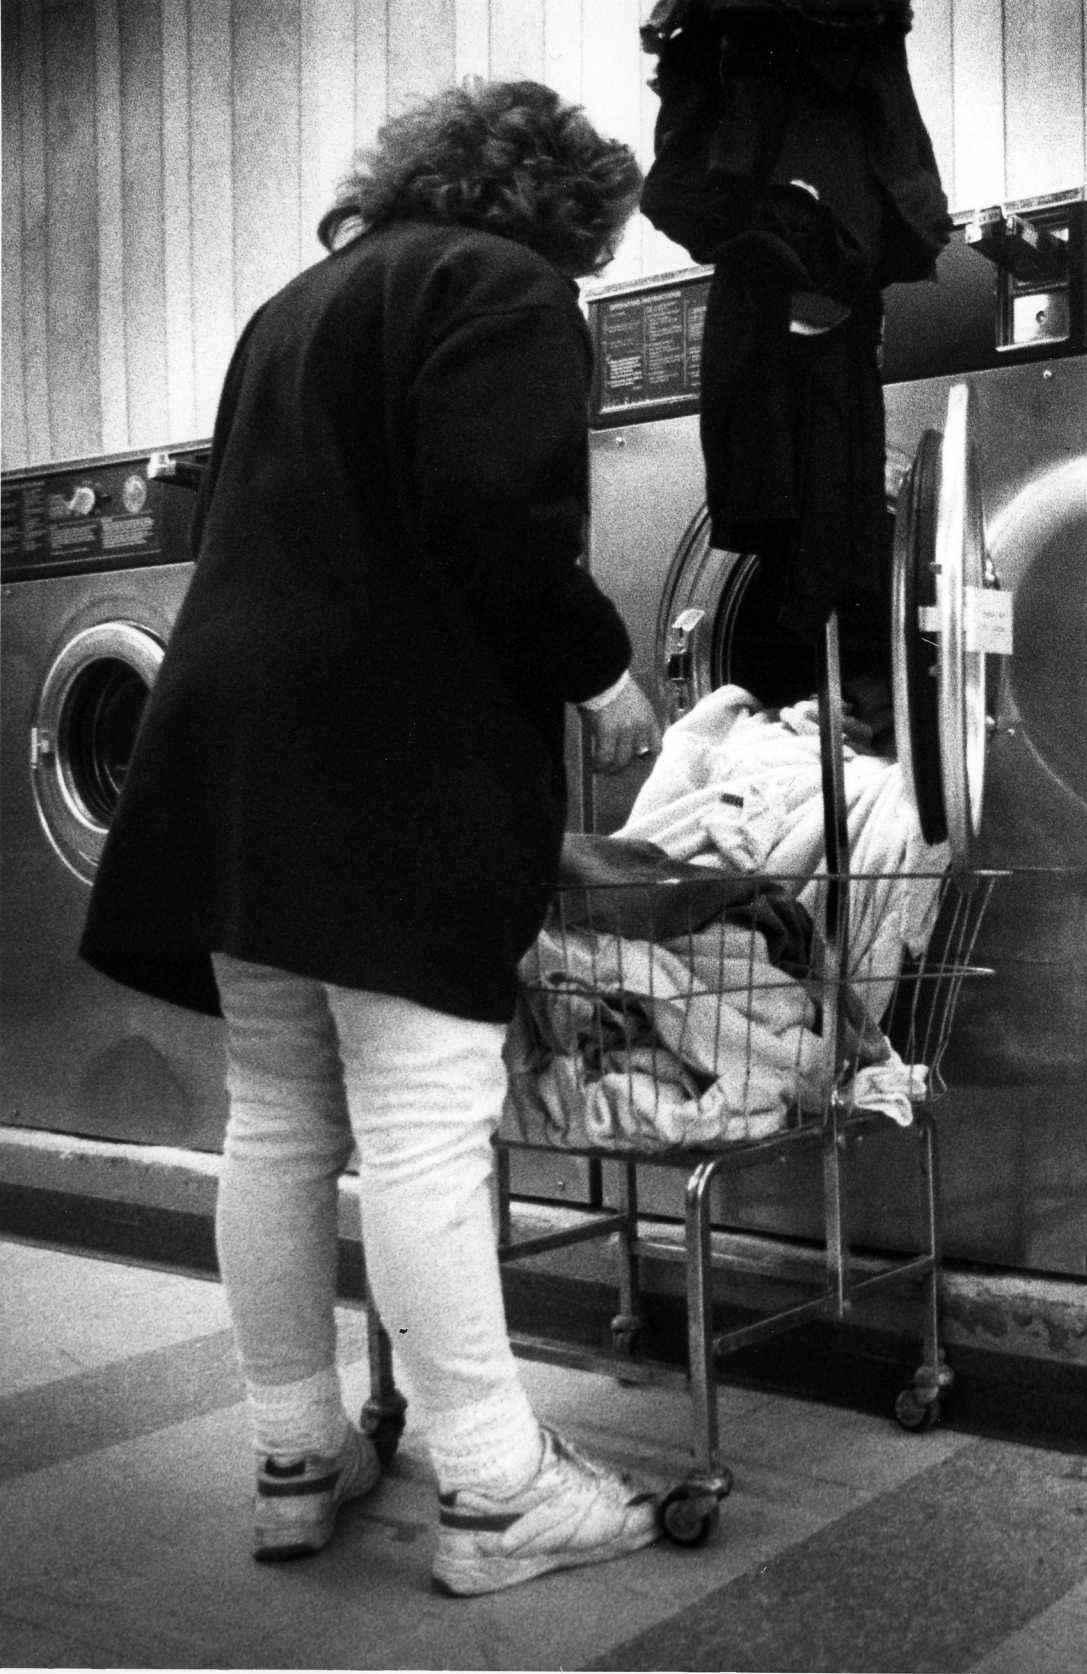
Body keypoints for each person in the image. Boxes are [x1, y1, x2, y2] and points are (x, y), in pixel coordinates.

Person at [80, 80, 669, 1597]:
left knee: (275, 1112)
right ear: (559, 210)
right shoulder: (504, 287)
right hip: (386, 763)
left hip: (227, 748)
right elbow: (493, 514)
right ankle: (492, 1484)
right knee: (418, 1118)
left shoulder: (294, 303)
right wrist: (601, 674)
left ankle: (297, 1451)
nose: (589, 272)